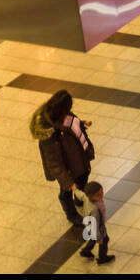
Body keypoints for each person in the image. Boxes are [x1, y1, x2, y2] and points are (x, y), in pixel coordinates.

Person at [30, 90, 95, 225]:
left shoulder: (63, 115)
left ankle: (79, 199)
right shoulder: (49, 135)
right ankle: (71, 214)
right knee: (66, 191)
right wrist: (67, 180)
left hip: (79, 157)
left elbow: (71, 125)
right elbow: (54, 163)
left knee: (83, 178)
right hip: (69, 168)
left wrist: (81, 123)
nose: (70, 110)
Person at [73, 181, 114, 265]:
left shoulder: (86, 197)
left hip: (89, 224)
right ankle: (102, 258)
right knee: (105, 240)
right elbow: (95, 226)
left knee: (92, 238)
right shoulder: (94, 210)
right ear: (91, 196)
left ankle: (85, 251)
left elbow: (80, 194)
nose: (102, 195)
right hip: (97, 227)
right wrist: (99, 238)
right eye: (99, 194)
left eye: (102, 192)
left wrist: (75, 189)